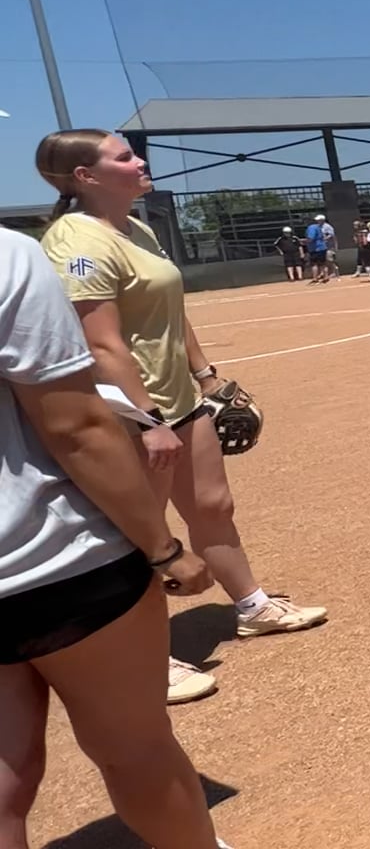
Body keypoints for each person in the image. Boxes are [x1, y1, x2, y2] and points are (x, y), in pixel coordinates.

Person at [36, 129, 328, 705]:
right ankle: (144, 657)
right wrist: (149, 421)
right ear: (85, 177)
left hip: (178, 400)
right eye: (124, 156)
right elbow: (101, 345)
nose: (139, 161)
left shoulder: (135, 228)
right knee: (139, 533)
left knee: (213, 506)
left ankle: (252, 607)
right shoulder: (76, 242)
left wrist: (206, 377)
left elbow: (172, 311)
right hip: (127, 410)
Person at [0, 227, 235, 849]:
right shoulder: (9, 257)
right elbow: (75, 426)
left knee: (5, 778)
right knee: (134, 747)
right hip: (52, 559)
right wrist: (163, 548)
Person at [303, 213, 331, 283]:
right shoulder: (318, 227)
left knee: (314, 264)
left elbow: (311, 238)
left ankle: (315, 278)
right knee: (323, 263)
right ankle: (326, 276)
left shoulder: (311, 227)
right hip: (322, 247)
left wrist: (304, 241)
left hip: (315, 248)